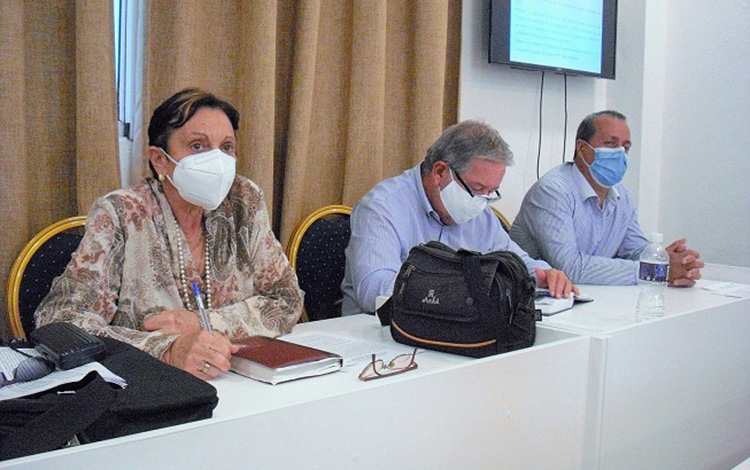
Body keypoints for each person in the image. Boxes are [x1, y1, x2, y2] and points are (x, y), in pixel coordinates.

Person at [35, 88, 304, 379]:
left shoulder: (243, 201)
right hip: (149, 387)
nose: (217, 161)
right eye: (198, 146)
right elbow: (60, 322)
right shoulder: (121, 213)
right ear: (159, 160)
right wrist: (166, 350)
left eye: (226, 147)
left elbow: (286, 297)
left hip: (238, 379)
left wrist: (206, 323)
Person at [341, 120, 577, 316]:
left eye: (490, 192)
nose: (481, 201)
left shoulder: (480, 213)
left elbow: (514, 260)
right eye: (477, 188)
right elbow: (373, 292)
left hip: (453, 333)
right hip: (379, 339)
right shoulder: (383, 207)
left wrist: (544, 275)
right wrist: (457, 290)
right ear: (440, 172)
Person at [509, 110, 704, 286]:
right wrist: (653, 272)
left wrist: (663, 259)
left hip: (594, 298)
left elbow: (633, 250)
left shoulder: (622, 195)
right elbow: (570, 267)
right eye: (610, 144)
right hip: (537, 303)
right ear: (581, 148)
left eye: (625, 147)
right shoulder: (552, 191)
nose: (619, 153)